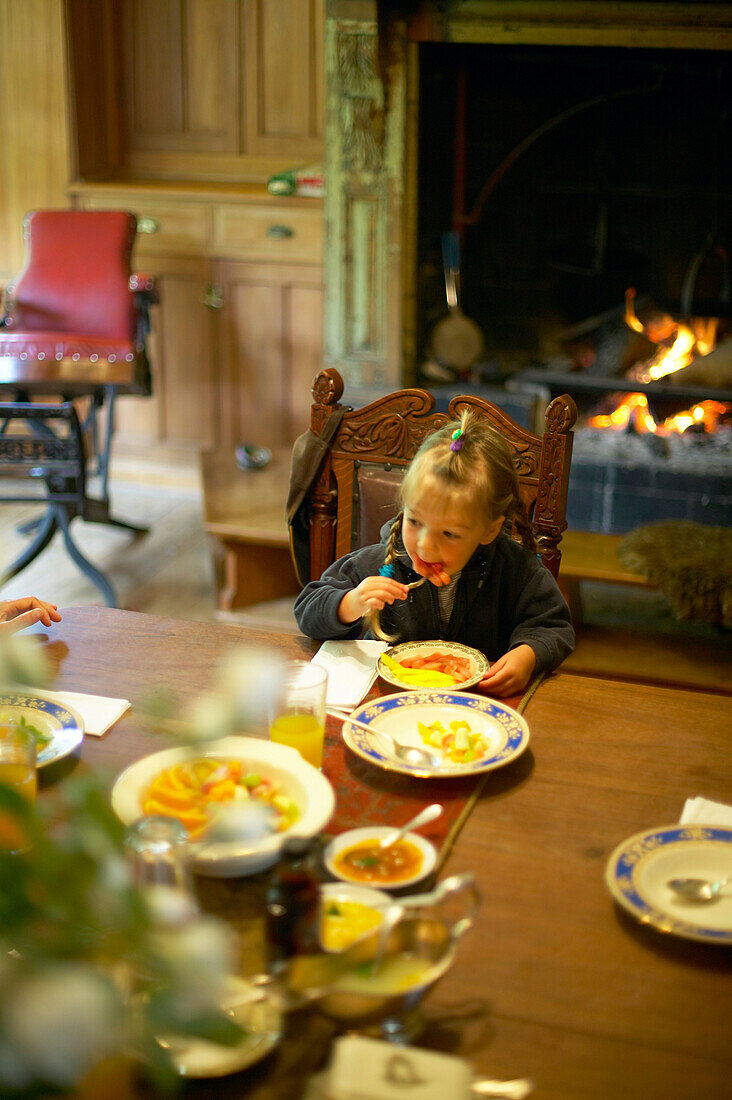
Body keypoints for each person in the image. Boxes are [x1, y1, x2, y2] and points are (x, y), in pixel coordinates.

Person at [294, 412, 574, 697]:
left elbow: (553, 627)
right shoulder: (378, 563)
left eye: (450, 534)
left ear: (490, 530)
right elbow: (306, 610)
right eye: (414, 522)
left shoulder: (516, 571)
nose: (425, 546)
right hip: (389, 702)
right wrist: (349, 604)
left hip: (478, 704)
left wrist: (527, 655)